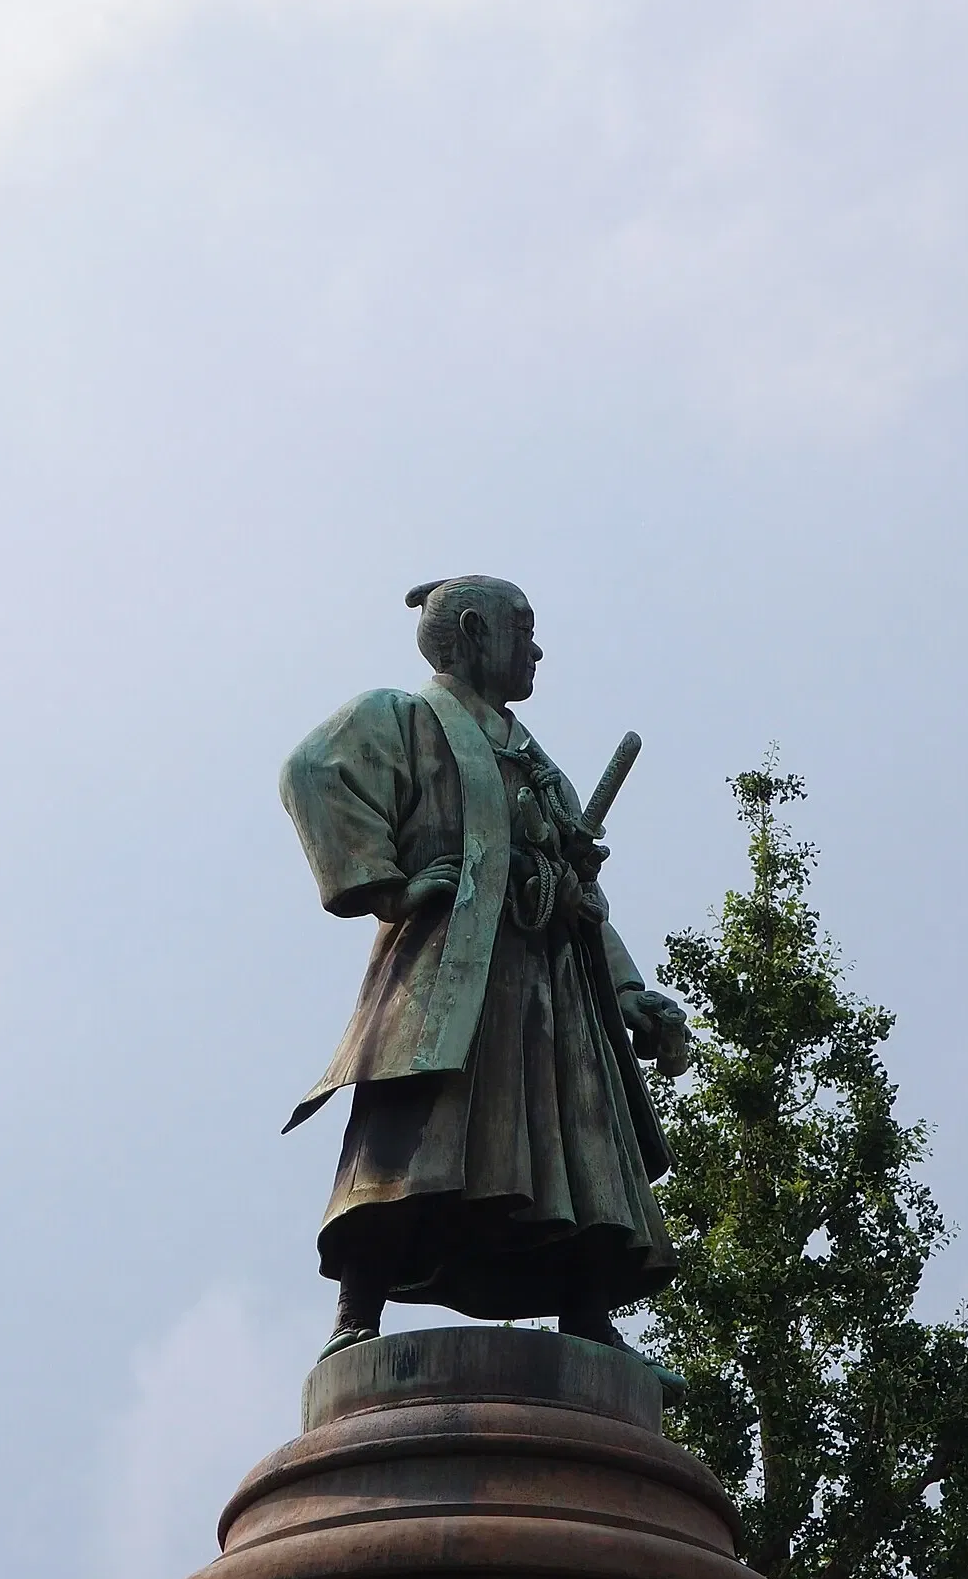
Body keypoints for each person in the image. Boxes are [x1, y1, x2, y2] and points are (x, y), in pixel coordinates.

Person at [280, 575, 688, 1394]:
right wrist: (388, 884)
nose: (537, 650)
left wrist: (629, 989)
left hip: (550, 986)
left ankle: (588, 1314)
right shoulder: (405, 718)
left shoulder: (539, 766)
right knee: (413, 1136)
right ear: (473, 630)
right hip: (448, 976)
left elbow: (578, 899)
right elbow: (313, 770)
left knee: (573, 1146)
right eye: (525, 631)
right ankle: (357, 1315)